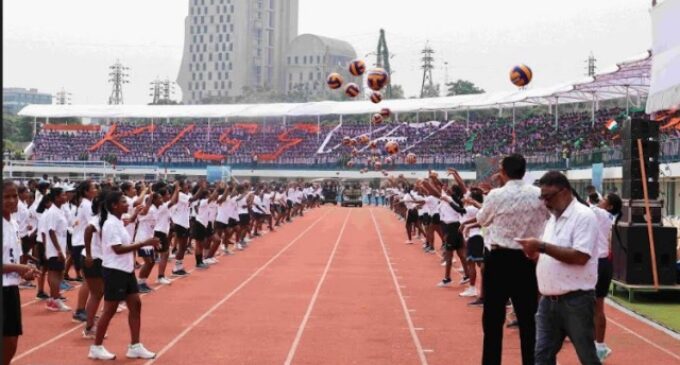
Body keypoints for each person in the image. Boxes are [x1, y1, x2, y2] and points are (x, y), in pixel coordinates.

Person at [516, 171, 601, 364]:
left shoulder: (583, 216)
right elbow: (551, 254)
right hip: (549, 301)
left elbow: (580, 256)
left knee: (587, 357)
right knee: (542, 357)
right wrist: (535, 255)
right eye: (542, 197)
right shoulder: (553, 219)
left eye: (548, 196)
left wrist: (541, 247)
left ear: (564, 191)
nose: (545, 202)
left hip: (576, 301)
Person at [476, 154, 550, 365]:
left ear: (503, 172)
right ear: (524, 171)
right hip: (528, 259)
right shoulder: (539, 194)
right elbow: (548, 218)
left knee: (492, 319)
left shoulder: (495, 195)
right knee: (529, 318)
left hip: (499, 259)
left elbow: (482, 219)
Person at [89, 191, 159, 360]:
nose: (127, 204)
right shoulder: (110, 224)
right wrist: (143, 243)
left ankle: (135, 346)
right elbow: (118, 249)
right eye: (123, 202)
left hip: (126, 271)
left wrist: (136, 213)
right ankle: (96, 347)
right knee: (109, 310)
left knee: (135, 305)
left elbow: (130, 225)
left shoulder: (118, 222)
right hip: (115, 271)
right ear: (114, 205)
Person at [4, 181, 38, 365]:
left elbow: (12, 259)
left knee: (11, 340)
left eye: (14, 196)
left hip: (11, 289)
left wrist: (25, 272)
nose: (11, 200)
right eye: (6, 196)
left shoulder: (14, 224)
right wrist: (20, 269)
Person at [593, 192, 622, 361]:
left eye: (604, 200)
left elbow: (578, 202)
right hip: (603, 263)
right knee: (598, 307)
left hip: (597, 264)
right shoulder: (607, 216)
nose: (600, 201)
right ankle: (600, 346)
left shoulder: (600, 213)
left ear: (609, 206)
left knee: (590, 307)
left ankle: (595, 346)